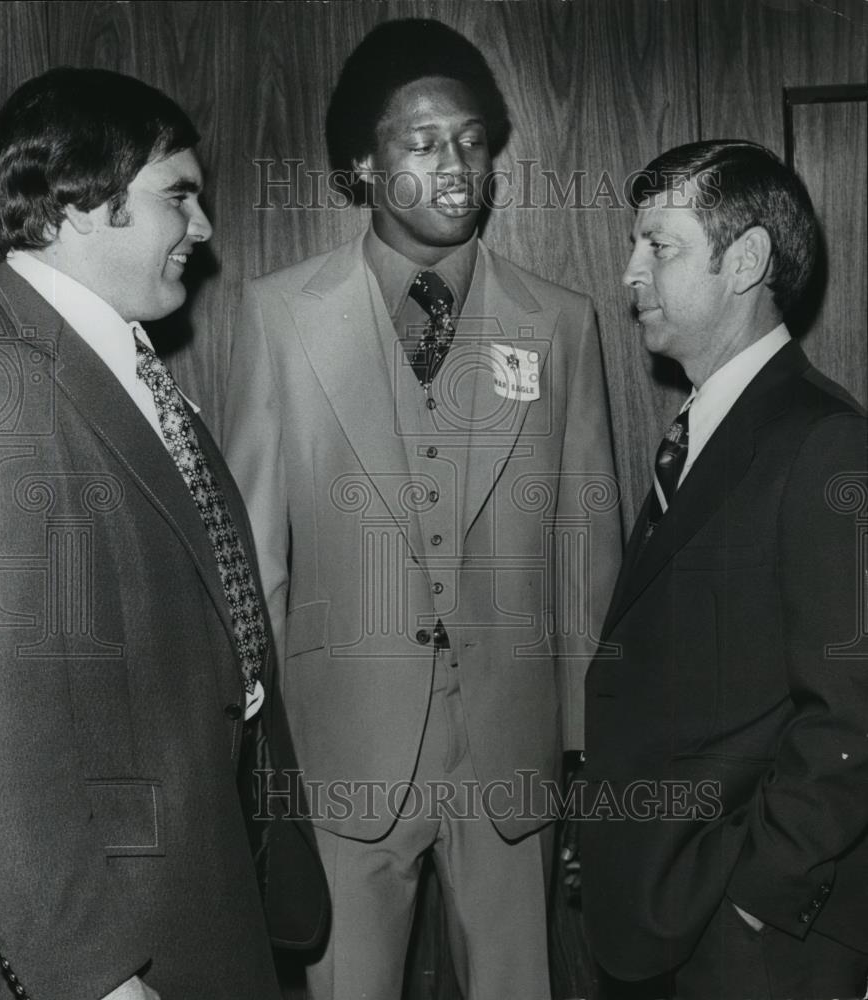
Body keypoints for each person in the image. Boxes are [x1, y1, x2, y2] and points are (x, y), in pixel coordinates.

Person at [223, 18, 621, 1000]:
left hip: (511, 759)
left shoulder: (559, 321)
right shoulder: (278, 317)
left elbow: (588, 553)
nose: (454, 165)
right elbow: (254, 558)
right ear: (360, 163)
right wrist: (262, 765)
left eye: (472, 139)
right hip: (338, 761)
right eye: (419, 141)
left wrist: (586, 748)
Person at [0, 67, 327, 1000]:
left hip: (202, 892)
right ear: (82, 203)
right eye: (178, 196)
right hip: (115, 945)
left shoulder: (121, 362)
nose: (202, 229)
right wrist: (90, 976)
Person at [581, 140, 868, 999]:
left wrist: (756, 897)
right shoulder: (701, 431)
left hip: (754, 939)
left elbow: (849, 713)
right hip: (668, 913)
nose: (630, 275)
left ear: (743, 260)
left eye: (657, 247)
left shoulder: (822, 441)